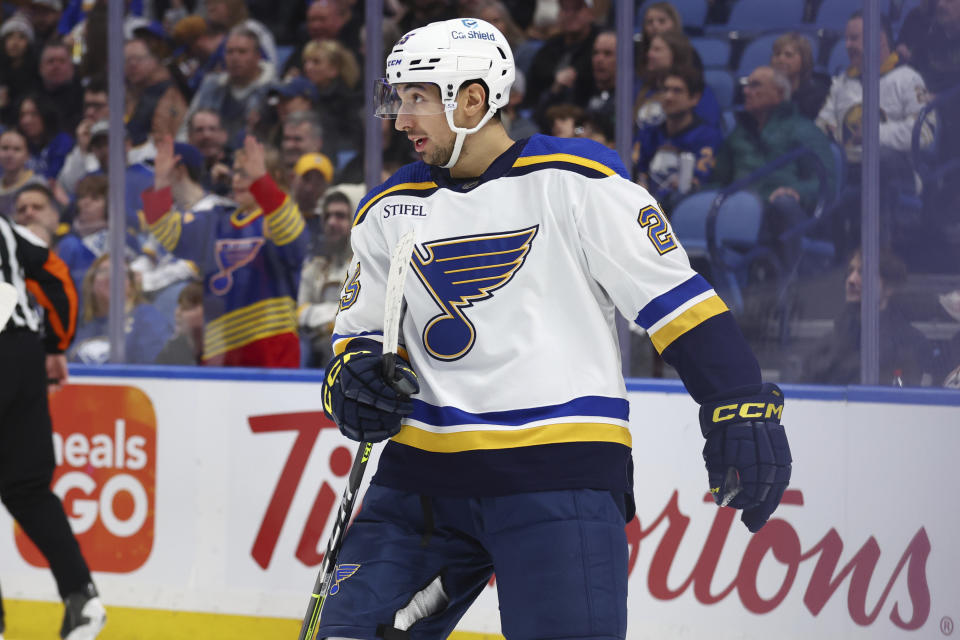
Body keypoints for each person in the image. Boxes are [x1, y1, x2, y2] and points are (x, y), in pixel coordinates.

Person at [316, 18, 792, 639]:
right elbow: (356, 336)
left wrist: (737, 400)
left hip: (556, 480)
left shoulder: (579, 186)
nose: (401, 118)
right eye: (398, 98)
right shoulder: (387, 210)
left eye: (418, 98)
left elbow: (676, 304)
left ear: (473, 98)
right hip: (421, 487)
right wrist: (351, 380)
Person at [0, 213, 106, 639]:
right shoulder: (6, 226)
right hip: (20, 348)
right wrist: (55, 345)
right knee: (27, 488)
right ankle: (83, 600)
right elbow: (58, 277)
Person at [141, 136, 307, 367]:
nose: (237, 179)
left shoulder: (277, 219)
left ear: (273, 177)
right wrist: (161, 182)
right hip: (220, 351)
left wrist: (262, 183)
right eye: (236, 172)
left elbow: (292, 238)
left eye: (246, 173)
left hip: (272, 347)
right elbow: (167, 232)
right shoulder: (216, 221)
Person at [712, 66, 835, 274]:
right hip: (738, 215)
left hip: (781, 216)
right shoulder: (738, 134)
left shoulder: (804, 130)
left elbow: (827, 182)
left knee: (783, 206)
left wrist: (796, 191)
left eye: (755, 86)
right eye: (746, 86)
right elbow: (718, 182)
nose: (746, 92)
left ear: (779, 93)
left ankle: (787, 298)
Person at [800, 248, 934, 386]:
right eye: (850, 271)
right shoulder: (827, 345)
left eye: (863, 273)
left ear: (889, 287)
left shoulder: (912, 344)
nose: (851, 280)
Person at [633, 65, 724, 205]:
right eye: (665, 90)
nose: (668, 96)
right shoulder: (649, 133)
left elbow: (701, 183)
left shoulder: (708, 137)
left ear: (695, 98)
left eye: (677, 91)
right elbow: (638, 170)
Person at [68, 253, 174, 365]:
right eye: (103, 271)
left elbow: (154, 372)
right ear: (91, 283)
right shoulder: (77, 323)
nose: (111, 277)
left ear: (131, 285)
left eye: (120, 273)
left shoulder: (147, 318)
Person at [298, 190, 351, 367]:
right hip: (314, 346)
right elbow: (300, 312)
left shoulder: (364, 267)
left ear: (353, 223)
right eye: (327, 216)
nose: (332, 222)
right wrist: (333, 318)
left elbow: (357, 315)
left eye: (340, 216)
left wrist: (321, 316)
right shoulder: (314, 267)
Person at [770, 33, 831, 121]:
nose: (781, 59)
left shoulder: (817, 96)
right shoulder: (765, 93)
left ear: (804, 59)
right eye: (777, 54)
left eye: (788, 55)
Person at [0, 129, 47, 218]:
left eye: (17, 149)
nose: (9, 154)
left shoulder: (38, 184)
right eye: (5, 148)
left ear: (27, 155)